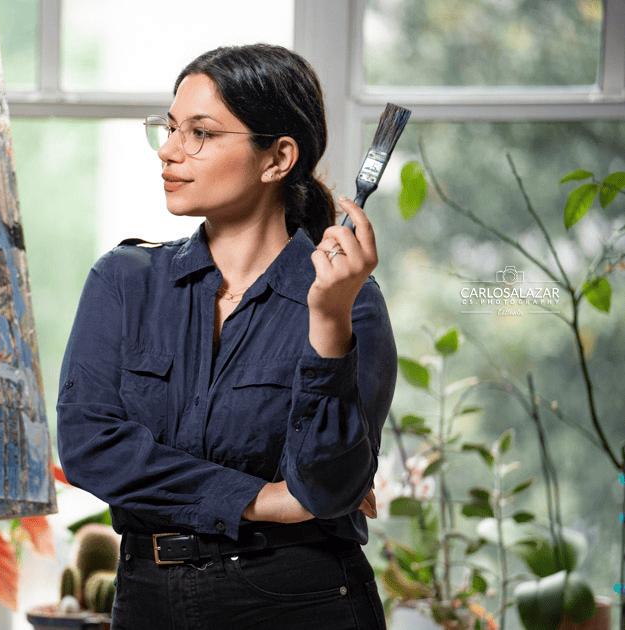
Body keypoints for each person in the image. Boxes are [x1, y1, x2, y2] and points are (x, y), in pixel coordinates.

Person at [57, 43, 397, 629]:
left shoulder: (351, 305)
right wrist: (263, 498)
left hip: (300, 602)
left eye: (200, 134)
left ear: (278, 157)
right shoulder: (124, 281)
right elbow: (90, 446)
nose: (168, 151)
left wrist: (326, 321)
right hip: (146, 600)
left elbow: (326, 488)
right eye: (168, 128)